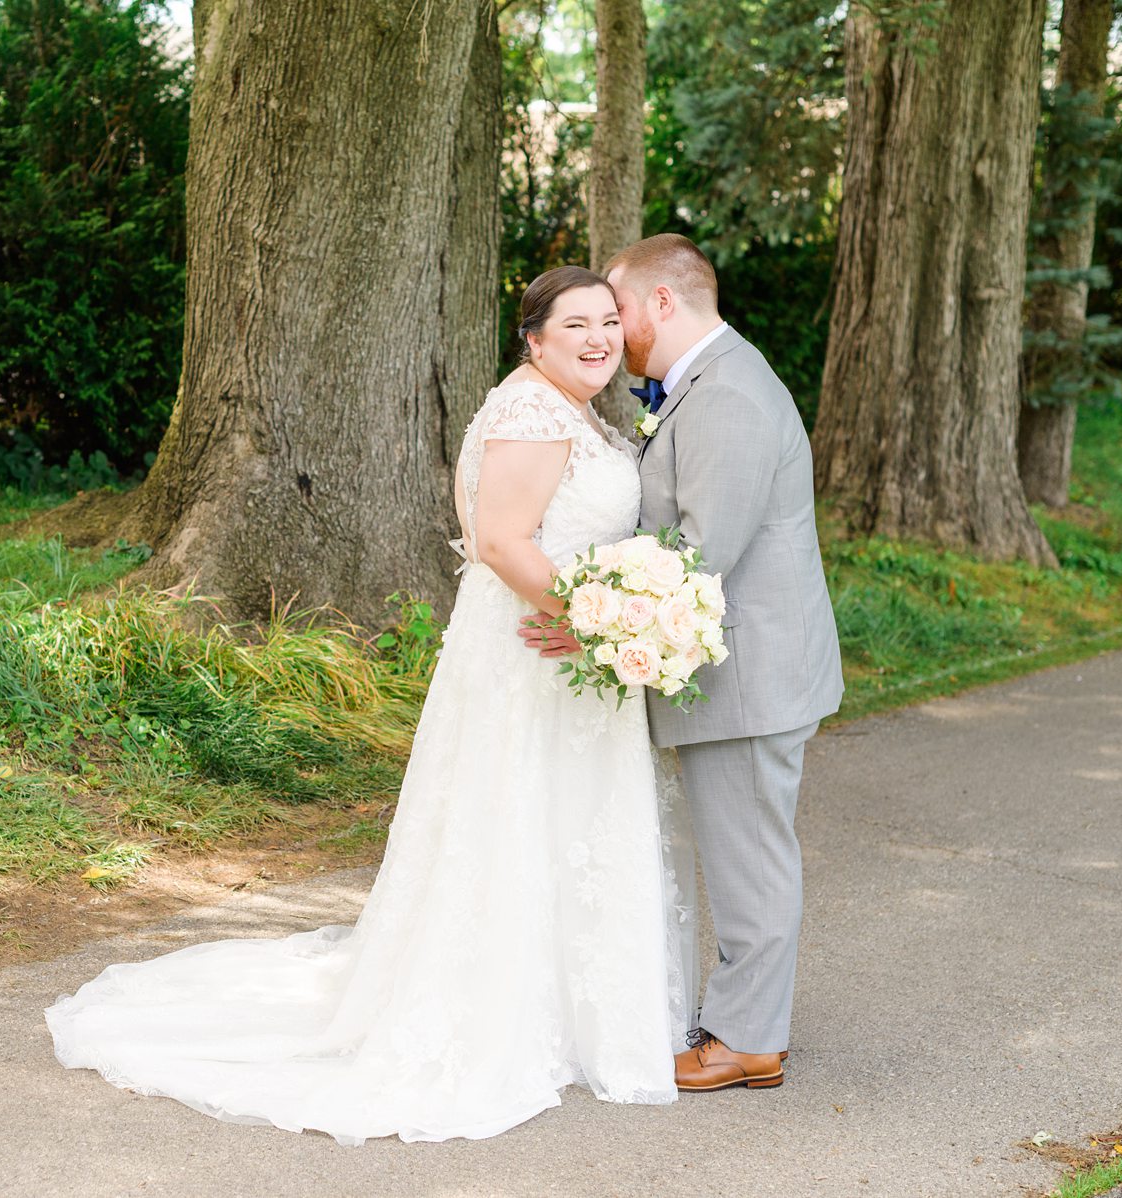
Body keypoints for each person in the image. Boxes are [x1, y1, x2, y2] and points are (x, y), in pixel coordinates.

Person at [45, 266, 694, 1145]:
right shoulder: (535, 413)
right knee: (521, 814)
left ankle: (566, 1008)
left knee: (545, 821)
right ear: (533, 339)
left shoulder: (568, 411)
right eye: (574, 323)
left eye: (609, 322)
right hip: (537, 651)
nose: (598, 338)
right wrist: (598, 622)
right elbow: (501, 542)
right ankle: (511, 1014)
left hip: (551, 650)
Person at [522, 234, 843, 1092]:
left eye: (617, 309)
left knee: (750, 855)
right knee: (745, 850)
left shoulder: (729, 394)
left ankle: (747, 1040)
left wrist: (592, 625)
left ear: (660, 303)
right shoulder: (707, 382)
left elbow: (698, 556)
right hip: (744, 670)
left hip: (750, 676)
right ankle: (743, 1019)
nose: (610, 330)